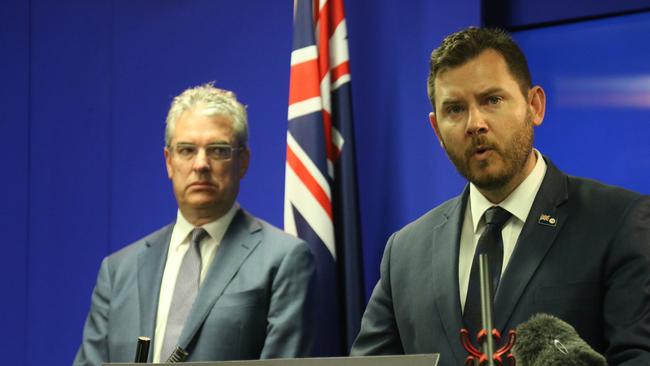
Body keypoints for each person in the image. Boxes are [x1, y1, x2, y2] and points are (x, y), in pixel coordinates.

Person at [351, 27, 650, 365]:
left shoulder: (618, 222)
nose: (474, 123)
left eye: (492, 100)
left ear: (534, 106)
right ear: (436, 130)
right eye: (455, 109)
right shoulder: (405, 253)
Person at [73, 83, 316, 365]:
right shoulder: (117, 271)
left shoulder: (283, 260)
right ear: (169, 162)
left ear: (243, 162)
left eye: (218, 150)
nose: (201, 164)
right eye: (187, 150)